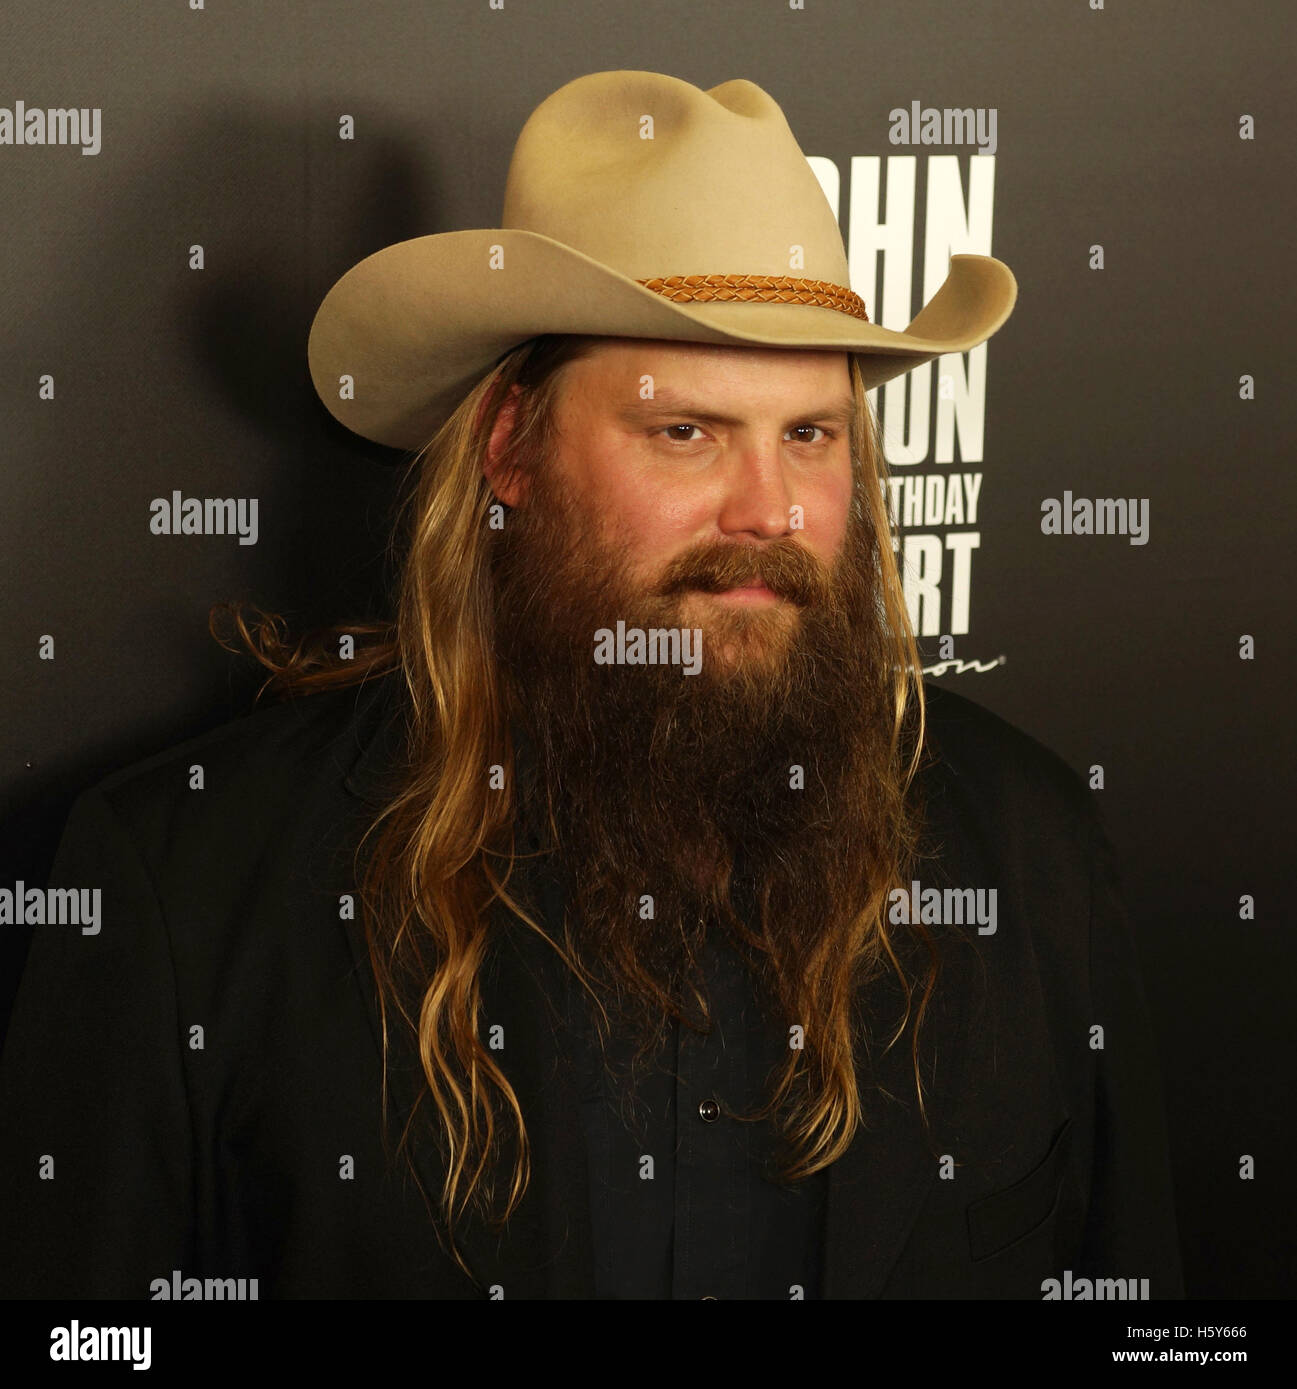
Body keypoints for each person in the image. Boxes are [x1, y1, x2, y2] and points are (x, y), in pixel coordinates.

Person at [0, 69, 1182, 1300]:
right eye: (686, 431)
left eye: (810, 435)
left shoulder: (1031, 853)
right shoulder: (194, 888)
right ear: (510, 447)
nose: (769, 509)